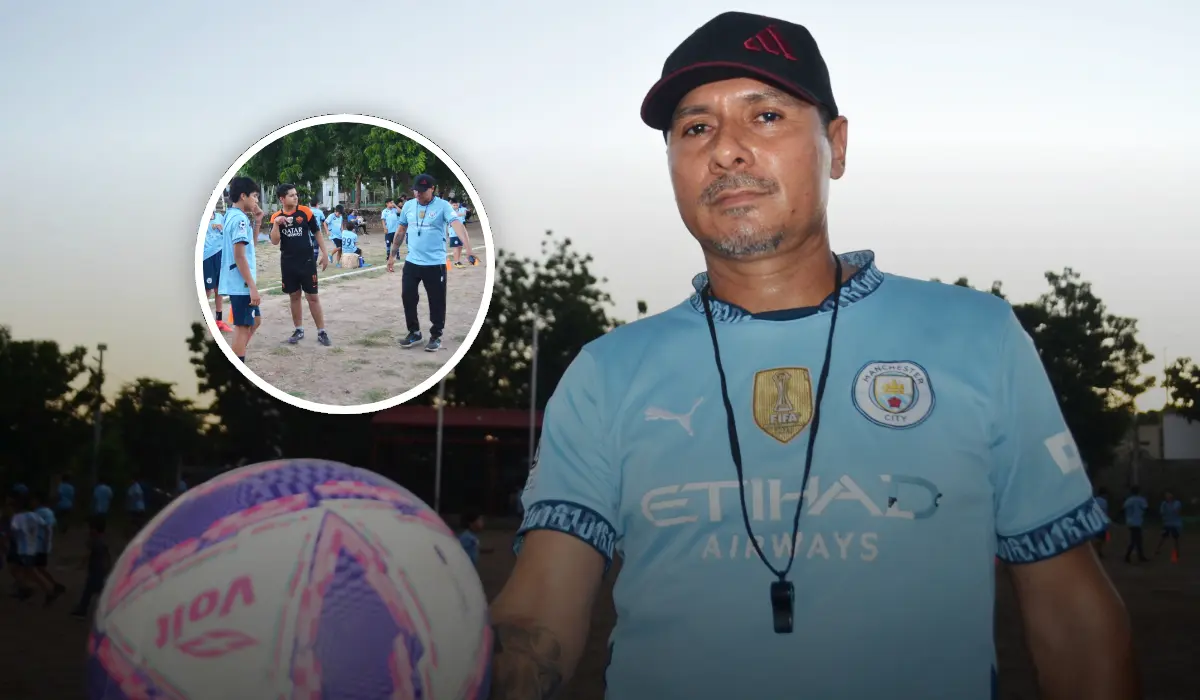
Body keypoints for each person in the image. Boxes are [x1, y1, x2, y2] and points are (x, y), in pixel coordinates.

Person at [487, 12, 1138, 700]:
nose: (727, 151)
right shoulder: (607, 372)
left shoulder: (978, 337)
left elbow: (1071, 614)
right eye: (696, 127)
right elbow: (539, 617)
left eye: (765, 116)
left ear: (837, 145)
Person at [386, 174, 474, 352]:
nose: (418, 194)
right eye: (416, 190)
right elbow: (401, 229)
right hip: (412, 262)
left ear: (432, 189)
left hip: (435, 263)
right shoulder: (409, 205)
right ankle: (414, 332)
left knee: (437, 301)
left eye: (422, 191)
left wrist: (468, 248)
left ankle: (436, 335)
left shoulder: (443, 206)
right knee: (408, 297)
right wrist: (392, 254)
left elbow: (457, 225)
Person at [269, 184, 332, 347]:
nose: (295, 198)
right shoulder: (276, 216)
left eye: (296, 195)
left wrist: (325, 254)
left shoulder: (305, 212)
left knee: (312, 297)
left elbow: (317, 232)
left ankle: (321, 331)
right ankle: (299, 329)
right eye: (291, 195)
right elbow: (274, 241)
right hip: (288, 263)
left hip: (307, 262)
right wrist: (276, 224)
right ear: (282, 199)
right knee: (294, 296)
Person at [218, 176, 264, 363]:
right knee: (243, 326)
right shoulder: (240, 220)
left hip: (240, 281)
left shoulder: (233, 216)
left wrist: (258, 221)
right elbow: (239, 256)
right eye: (254, 196)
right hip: (241, 283)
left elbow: (248, 246)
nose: (256, 200)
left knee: (255, 321)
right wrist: (252, 286)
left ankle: (236, 355)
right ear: (243, 196)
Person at [70, 517, 112, 619]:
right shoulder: (101, 540)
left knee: (93, 590)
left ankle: (83, 610)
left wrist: (81, 565)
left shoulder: (96, 541)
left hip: (97, 569)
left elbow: (88, 555)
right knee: (92, 590)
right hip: (98, 569)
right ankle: (83, 609)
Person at [202, 207, 233, 333]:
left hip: (221, 254)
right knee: (207, 290)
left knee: (219, 289)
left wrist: (222, 229)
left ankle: (219, 321)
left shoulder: (220, 217)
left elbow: (227, 234)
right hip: (206, 256)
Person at [30, 492, 66, 600]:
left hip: (39, 545)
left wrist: (45, 542)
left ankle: (48, 590)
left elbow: (45, 528)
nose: (32, 503)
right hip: (42, 544)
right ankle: (54, 585)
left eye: (33, 500)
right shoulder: (48, 512)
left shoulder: (39, 512)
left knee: (32, 568)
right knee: (39, 568)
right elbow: (53, 527)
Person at [1122, 485, 1150, 563]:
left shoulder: (1128, 500)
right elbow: (1146, 508)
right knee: (1135, 540)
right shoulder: (1141, 500)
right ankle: (1128, 556)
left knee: (1137, 539)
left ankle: (1140, 556)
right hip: (1137, 521)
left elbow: (1124, 509)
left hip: (1130, 521)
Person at [1156, 489, 1182, 560]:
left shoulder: (1176, 503)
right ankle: (1158, 549)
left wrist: (1172, 508)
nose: (1168, 497)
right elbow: (1162, 513)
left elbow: (1176, 511)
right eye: (1167, 496)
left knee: (1175, 538)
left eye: (1169, 496)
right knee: (1163, 537)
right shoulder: (1164, 504)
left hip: (1175, 523)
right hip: (1167, 523)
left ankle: (1176, 552)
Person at [447, 197, 472, 269]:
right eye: (453, 205)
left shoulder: (462, 209)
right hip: (453, 233)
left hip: (461, 232)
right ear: (451, 205)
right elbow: (458, 214)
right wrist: (461, 213)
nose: (455, 206)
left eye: (456, 205)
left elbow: (466, 211)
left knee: (460, 247)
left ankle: (458, 260)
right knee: (456, 247)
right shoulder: (449, 211)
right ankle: (456, 262)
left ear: (458, 204)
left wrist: (467, 211)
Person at [309, 197, 328, 262]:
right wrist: (327, 230)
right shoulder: (320, 212)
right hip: (317, 233)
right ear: (317, 204)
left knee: (309, 248)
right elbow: (324, 222)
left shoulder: (308, 211)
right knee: (316, 248)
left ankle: (309, 261)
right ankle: (314, 262)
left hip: (308, 233)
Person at [1094, 486, 1111, 557]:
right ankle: (1098, 552)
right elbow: (1105, 512)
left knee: (1097, 538)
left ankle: (1097, 551)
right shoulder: (1104, 502)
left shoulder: (1094, 500)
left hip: (1094, 520)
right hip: (1101, 522)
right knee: (1102, 539)